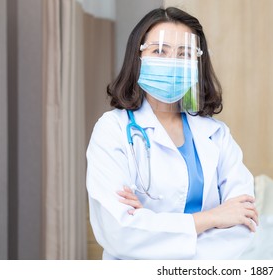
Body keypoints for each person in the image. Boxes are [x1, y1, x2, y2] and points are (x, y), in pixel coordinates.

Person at [86, 7, 258, 260]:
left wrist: (151, 225)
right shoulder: (113, 129)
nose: (172, 62)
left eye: (184, 53)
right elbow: (120, 232)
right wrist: (212, 218)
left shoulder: (216, 135)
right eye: (159, 51)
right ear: (138, 56)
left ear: (197, 63)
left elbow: (244, 221)